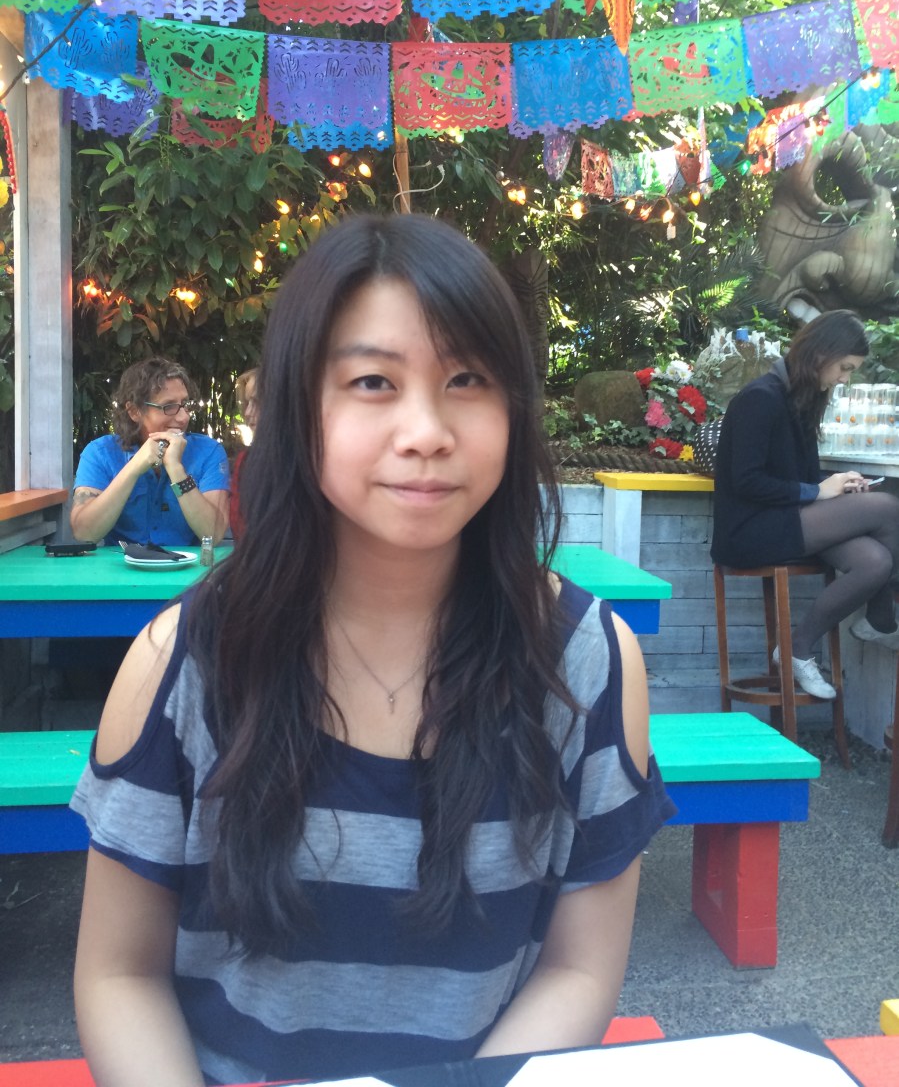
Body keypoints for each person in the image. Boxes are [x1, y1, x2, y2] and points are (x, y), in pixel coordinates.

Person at [71, 214, 675, 1087]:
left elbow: (577, 970)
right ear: (297, 409)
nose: (426, 430)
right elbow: (119, 973)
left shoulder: (583, 661)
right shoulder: (184, 659)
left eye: (466, 378)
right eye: (372, 381)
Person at [711, 309, 899, 700]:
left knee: (875, 561)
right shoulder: (759, 398)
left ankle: (797, 648)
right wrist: (817, 493)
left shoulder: (802, 399)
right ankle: (882, 618)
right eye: (844, 368)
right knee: (887, 508)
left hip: (790, 520)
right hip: (750, 530)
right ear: (820, 354)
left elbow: (805, 476)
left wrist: (838, 487)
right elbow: (747, 482)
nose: (845, 379)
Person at [70, 356, 230, 547]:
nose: (183, 417)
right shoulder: (100, 452)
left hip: (188, 563)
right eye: (169, 407)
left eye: (185, 405)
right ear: (134, 411)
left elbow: (213, 534)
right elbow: (84, 533)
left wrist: (176, 469)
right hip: (121, 563)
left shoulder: (208, 452)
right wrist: (134, 467)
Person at [229, 366, 259, 541]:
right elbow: (241, 530)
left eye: (257, 403)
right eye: (247, 403)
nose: (247, 413)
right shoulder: (246, 461)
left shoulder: (314, 460)